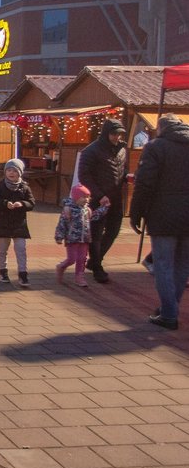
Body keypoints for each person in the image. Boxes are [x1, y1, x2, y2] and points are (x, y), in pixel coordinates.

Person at [129, 114, 189, 330]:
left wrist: (135, 213)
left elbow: (144, 183)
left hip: (163, 214)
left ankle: (169, 314)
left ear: (161, 128)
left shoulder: (156, 147)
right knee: (182, 265)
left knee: (163, 264)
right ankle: (169, 307)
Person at [77, 118, 128, 283]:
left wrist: (127, 178)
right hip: (97, 200)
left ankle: (94, 261)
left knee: (113, 231)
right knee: (96, 234)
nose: (117, 137)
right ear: (106, 133)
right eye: (114, 134)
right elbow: (84, 176)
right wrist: (99, 195)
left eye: (119, 134)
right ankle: (97, 267)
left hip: (116, 198)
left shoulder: (122, 149)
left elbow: (121, 170)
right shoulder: (90, 151)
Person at [0, 158, 35, 287]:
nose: (11, 173)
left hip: (19, 224)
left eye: (14, 170)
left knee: (21, 249)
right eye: (9, 170)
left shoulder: (24, 187)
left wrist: (22, 204)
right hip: (3, 223)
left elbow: (31, 203)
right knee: (3, 249)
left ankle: (23, 274)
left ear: (20, 172)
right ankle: (3, 272)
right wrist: (4, 203)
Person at [55, 183, 110, 287]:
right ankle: (61, 267)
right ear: (76, 197)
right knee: (72, 259)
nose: (86, 199)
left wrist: (104, 208)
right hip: (72, 239)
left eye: (88, 197)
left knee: (82, 259)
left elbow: (95, 216)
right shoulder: (68, 210)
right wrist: (59, 236)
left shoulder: (87, 210)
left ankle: (79, 277)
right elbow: (62, 224)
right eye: (84, 197)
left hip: (85, 239)